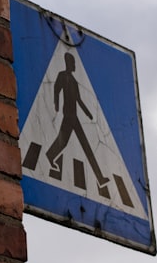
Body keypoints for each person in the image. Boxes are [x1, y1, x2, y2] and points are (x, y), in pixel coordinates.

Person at [45, 52, 109, 194]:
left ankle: (100, 178)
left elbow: (79, 99)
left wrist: (88, 112)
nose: (74, 66)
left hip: (74, 116)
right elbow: (56, 90)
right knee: (72, 143)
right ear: (68, 63)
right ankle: (100, 178)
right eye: (73, 63)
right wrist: (56, 105)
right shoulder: (62, 75)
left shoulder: (74, 81)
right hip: (68, 116)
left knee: (73, 144)